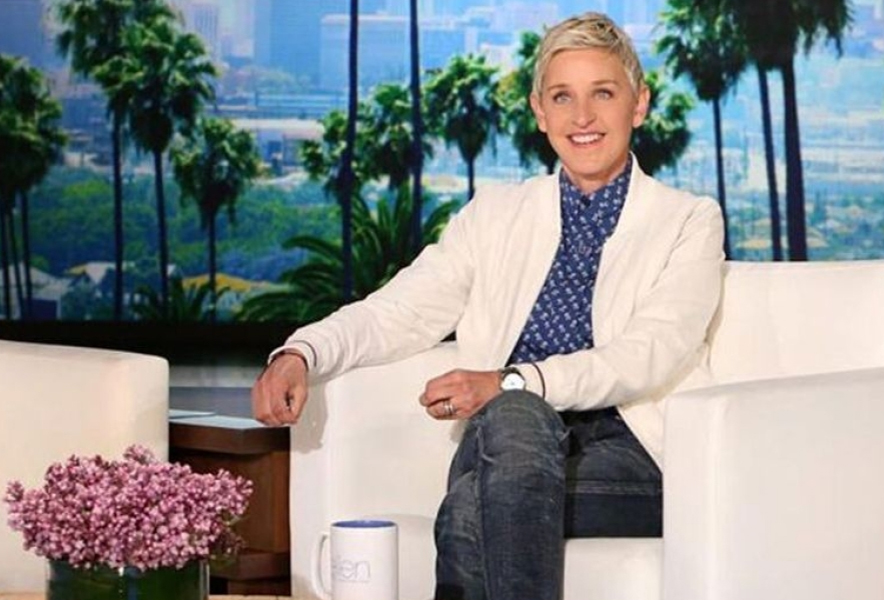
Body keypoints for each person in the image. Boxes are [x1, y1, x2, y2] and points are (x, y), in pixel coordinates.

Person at [252, 12, 724, 600]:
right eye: (562, 97)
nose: (582, 117)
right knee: (513, 421)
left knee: (468, 511)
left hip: (632, 455)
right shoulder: (496, 214)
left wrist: (512, 382)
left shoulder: (687, 220)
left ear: (639, 104)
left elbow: (649, 354)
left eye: (603, 93)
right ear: (539, 111)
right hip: (506, 441)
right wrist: (303, 351)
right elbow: (400, 308)